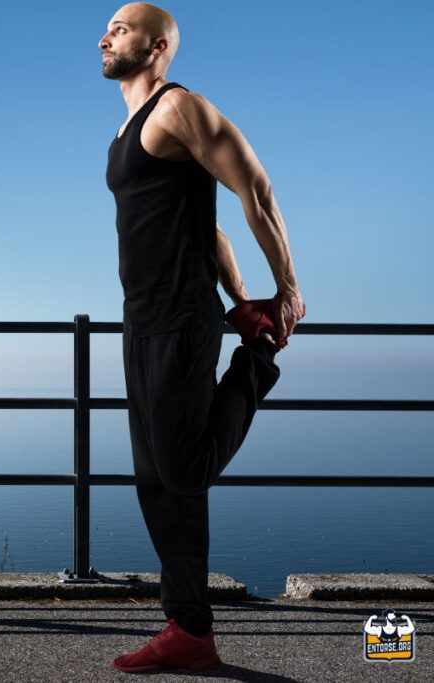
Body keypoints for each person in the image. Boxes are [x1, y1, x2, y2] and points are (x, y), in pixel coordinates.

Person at [100, 2, 306, 673]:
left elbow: (256, 188)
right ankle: (187, 629)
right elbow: (207, 227)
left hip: (182, 320)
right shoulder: (127, 127)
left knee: (182, 469)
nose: (106, 35)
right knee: (156, 481)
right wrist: (241, 298)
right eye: (108, 27)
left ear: (158, 46)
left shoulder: (177, 108)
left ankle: (258, 361)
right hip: (142, 316)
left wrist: (285, 293)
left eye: (122, 28)